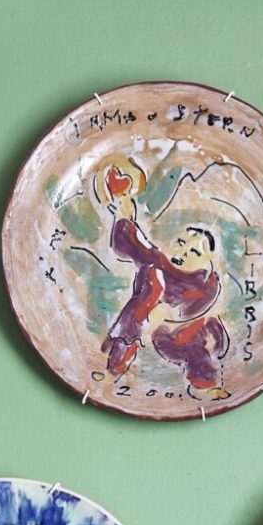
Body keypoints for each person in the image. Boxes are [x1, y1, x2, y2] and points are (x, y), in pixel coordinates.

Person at [97, 164, 231, 400]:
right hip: (146, 324)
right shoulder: (161, 264)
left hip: (180, 335)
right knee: (151, 275)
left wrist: (167, 314)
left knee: (194, 341)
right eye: (181, 243)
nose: (183, 252)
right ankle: (114, 368)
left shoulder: (207, 286)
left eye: (193, 251)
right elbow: (138, 242)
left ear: (208, 259)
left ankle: (205, 388)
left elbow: (195, 314)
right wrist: (123, 207)